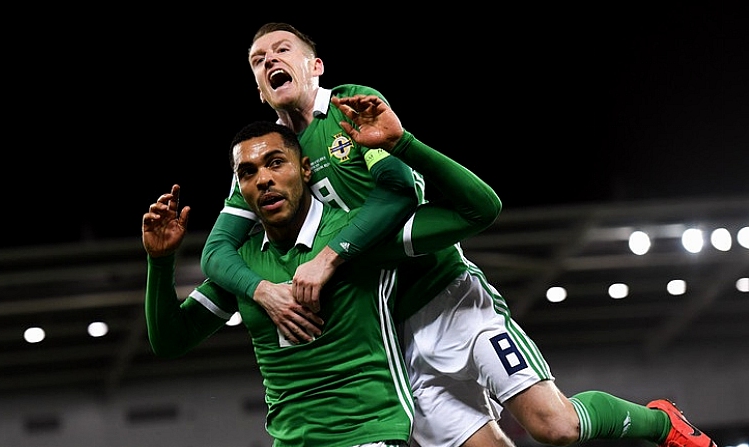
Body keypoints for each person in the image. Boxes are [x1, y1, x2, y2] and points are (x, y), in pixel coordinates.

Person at [200, 22, 717, 447]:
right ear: (258, 86)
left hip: (449, 295)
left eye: (282, 50)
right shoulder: (267, 158)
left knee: (554, 427)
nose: (269, 61)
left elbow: (400, 192)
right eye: (257, 60)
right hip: (390, 335)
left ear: (314, 65)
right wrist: (261, 289)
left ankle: (660, 422)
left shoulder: (351, 109)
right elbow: (217, 252)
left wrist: (331, 254)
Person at [143, 95, 504, 446]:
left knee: (556, 428)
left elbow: (480, 210)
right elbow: (172, 340)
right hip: (288, 441)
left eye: (275, 163)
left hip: (369, 434)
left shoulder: (356, 239)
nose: (263, 179)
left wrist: (404, 143)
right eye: (248, 172)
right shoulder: (245, 265)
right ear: (240, 188)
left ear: (304, 169)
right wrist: (160, 262)